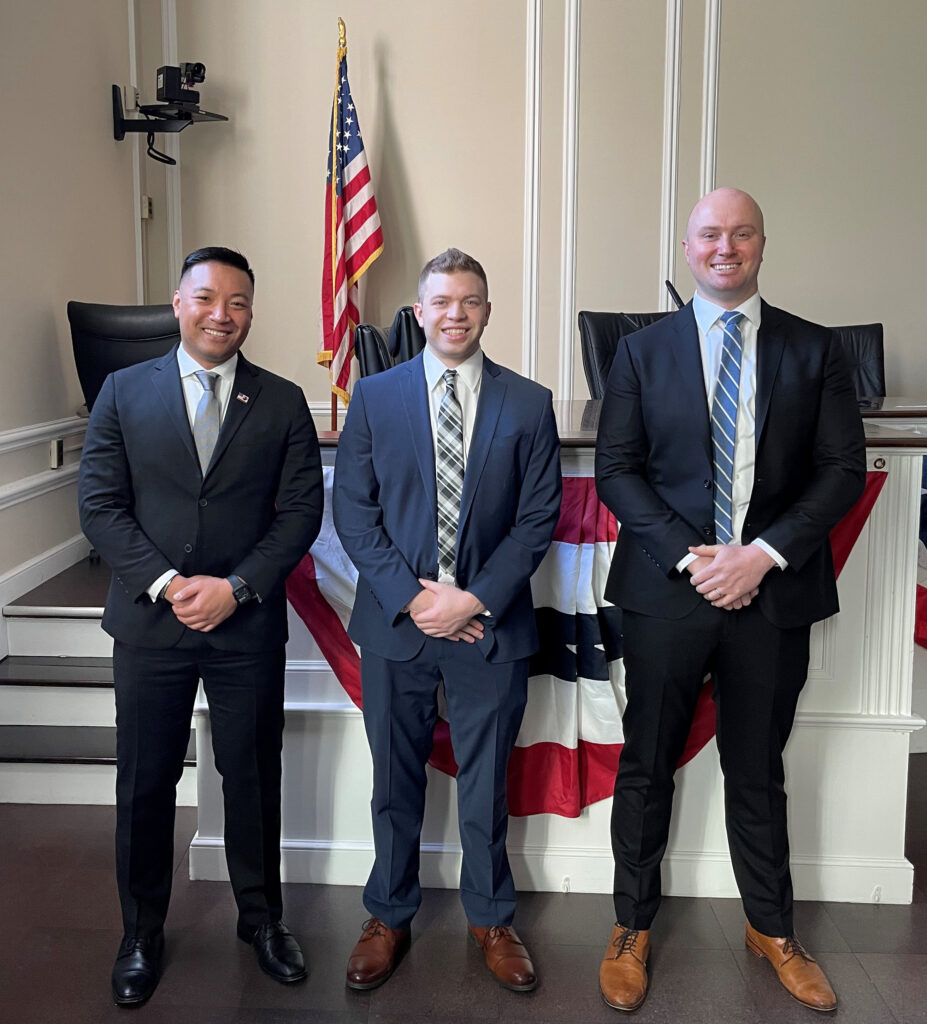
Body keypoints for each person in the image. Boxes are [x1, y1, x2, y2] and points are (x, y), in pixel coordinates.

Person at [594, 189, 866, 1013]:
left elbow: (840, 471)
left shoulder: (814, 349)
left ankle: (771, 928)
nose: (725, 247)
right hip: (666, 595)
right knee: (645, 767)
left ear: (760, 245)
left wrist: (761, 556)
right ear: (686, 249)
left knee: (757, 769)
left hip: (770, 594)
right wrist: (695, 558)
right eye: (709, 235)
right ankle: (630, 927)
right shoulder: (640, 352)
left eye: (740, 233)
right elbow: (617, 470)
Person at [79, 247, 324, 1007]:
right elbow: (99, 506)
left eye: (240, 302)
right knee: (146, 782)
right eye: (208, 298)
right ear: (178, 304)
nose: (224, 314)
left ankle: (263, 920)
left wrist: (238, 587)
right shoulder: (122, 392)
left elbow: (298, 516)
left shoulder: (281, 402)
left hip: (244, 627)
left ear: (252, 312)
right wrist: (169, 583)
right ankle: (141, 931)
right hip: (152, 625)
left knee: (252, 778)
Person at [332, 248, 562, 993]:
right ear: (419, 312)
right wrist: (416, 598)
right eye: (441, 301)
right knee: (393, 781)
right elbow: (354, 513)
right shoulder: (375, 396)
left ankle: (491, 917)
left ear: (487, 311)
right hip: (397, 625)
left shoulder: (527, 402)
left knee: (485, 782)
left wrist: (471, 599)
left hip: (488, 627)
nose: (455, 313)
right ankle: (387, 916)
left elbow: (537, 519)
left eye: (469, 300)